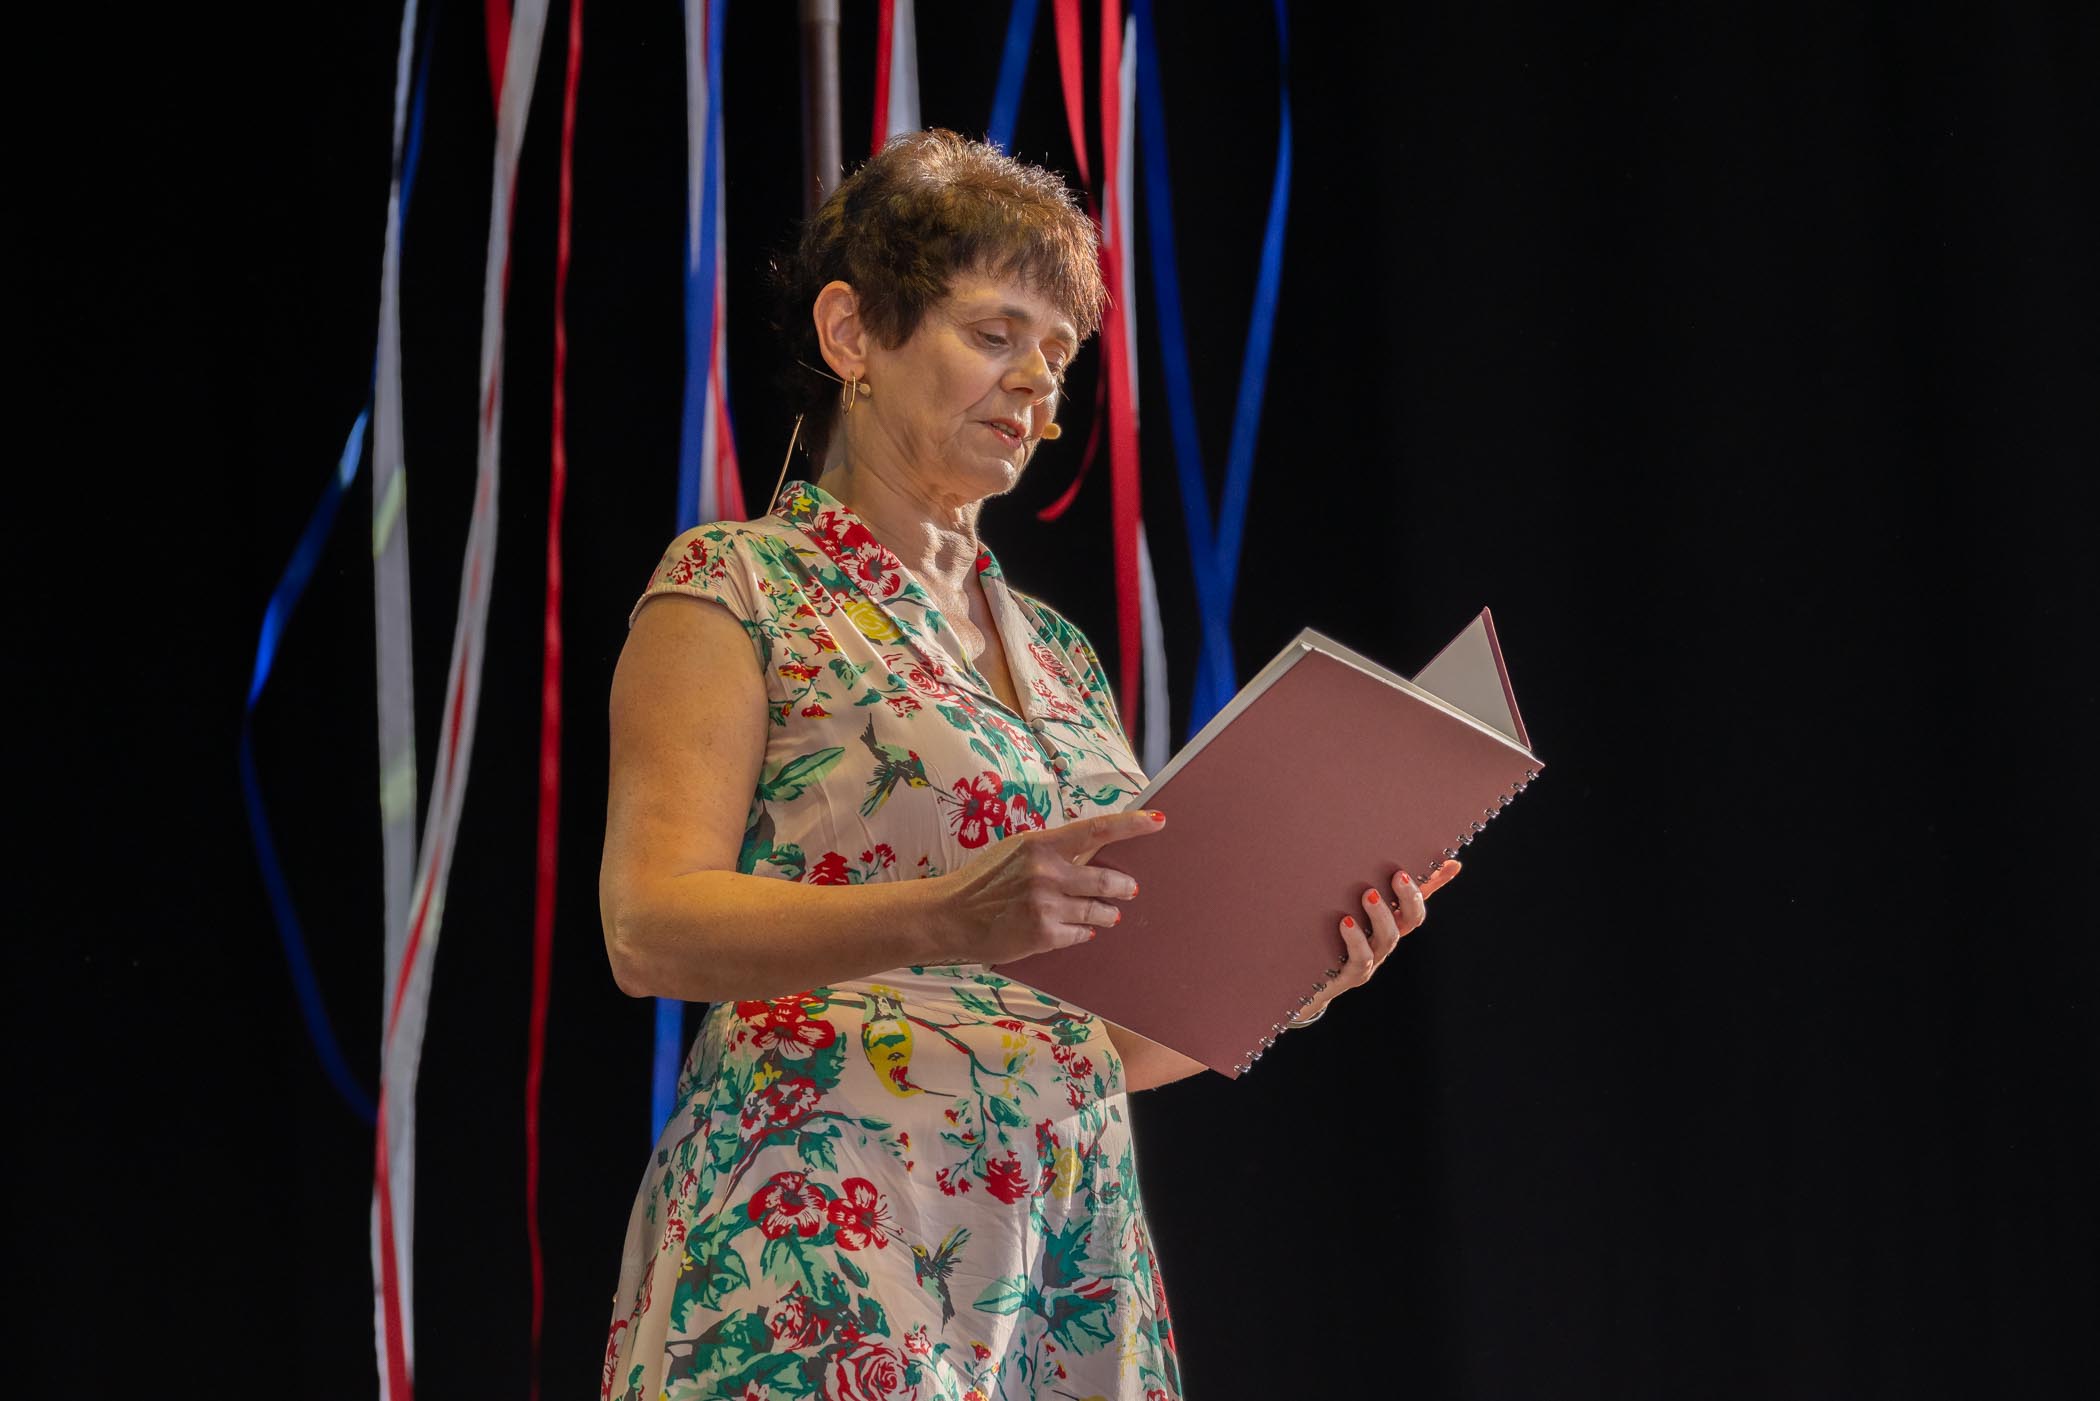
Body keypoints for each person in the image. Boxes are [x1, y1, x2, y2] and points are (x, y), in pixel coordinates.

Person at [598, 130, 1456, 1401]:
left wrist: (1289, 976)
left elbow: (1093, 1037)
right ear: (852, 334)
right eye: (995, 335)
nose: (1038, 389)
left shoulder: (1056, 653)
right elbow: (647, 927)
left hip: (1058, 1243)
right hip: (824, 1222)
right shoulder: (737, 585)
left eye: (1057, 355)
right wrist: (949, 913)